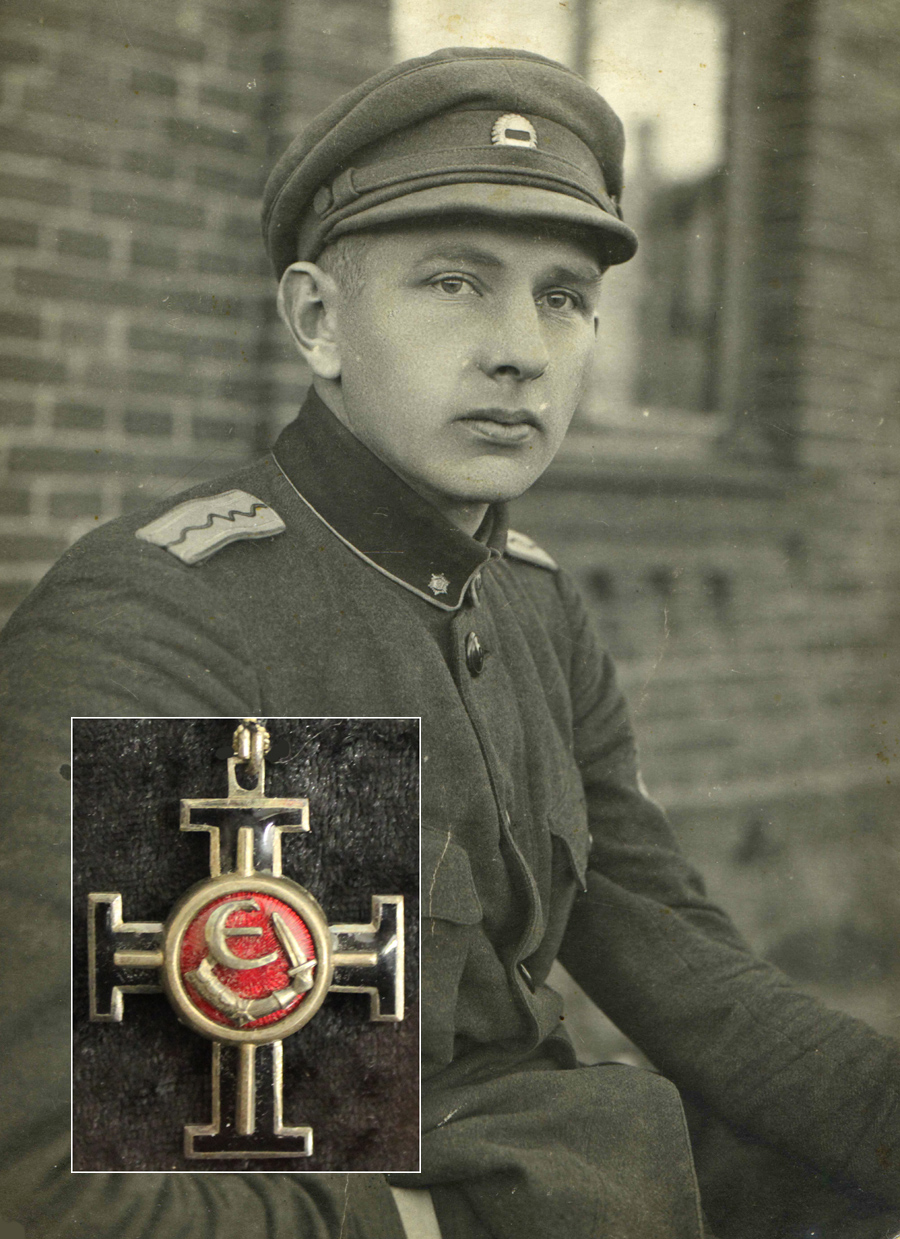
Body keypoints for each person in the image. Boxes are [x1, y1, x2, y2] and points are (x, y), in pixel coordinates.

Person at [0, 44, 898, 1239]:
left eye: (563, 297)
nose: (523, 349)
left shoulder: (532, 605)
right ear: (318, 321)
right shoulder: (174, 622)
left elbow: (689, 974)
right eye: (456, 283)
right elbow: (72, 1198)